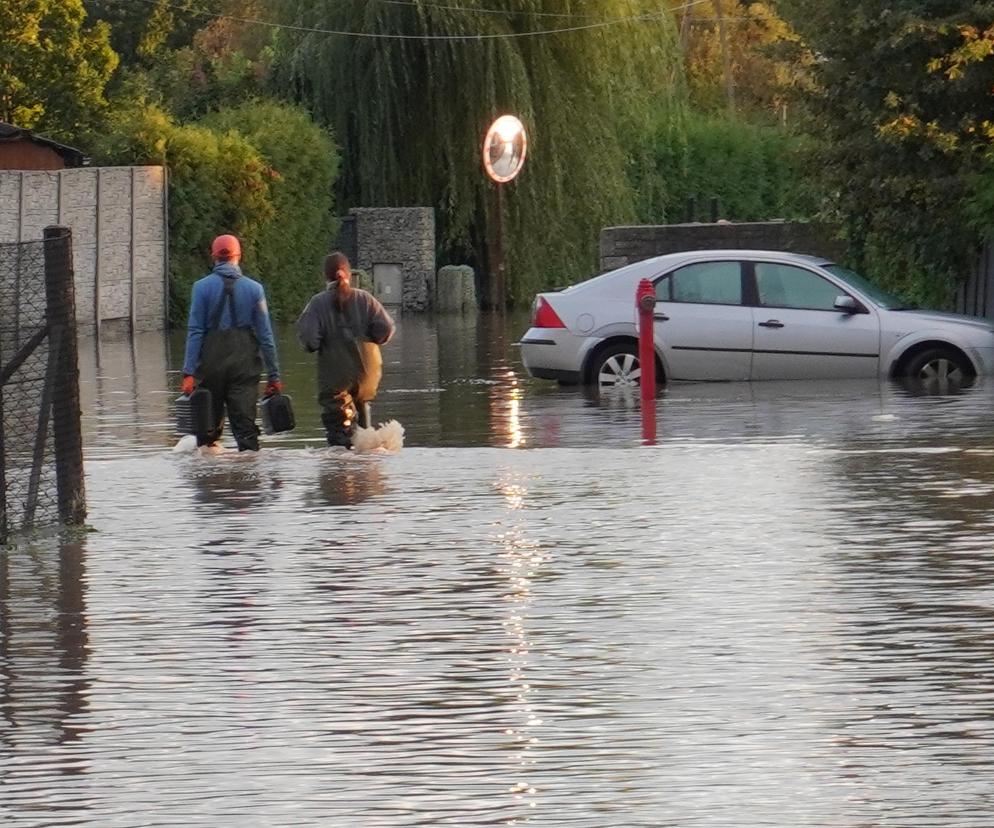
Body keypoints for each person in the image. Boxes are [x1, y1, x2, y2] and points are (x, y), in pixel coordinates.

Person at [181, 234, 281, 452]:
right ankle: (250, 480)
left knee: (207, 433)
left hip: (210, 369)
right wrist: (274, 375)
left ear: (213, 257)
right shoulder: (255, 289)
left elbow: (195, 331)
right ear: (239, 256)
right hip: (244, 369)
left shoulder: (201, 288)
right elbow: (266, 337)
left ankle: (210, 482)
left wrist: (188, 372)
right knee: (246, 430)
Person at [296, 252, 395, 448]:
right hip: (368, 375)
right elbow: (386, 329)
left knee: (339, 440)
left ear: (326, 276)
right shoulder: (366, 299)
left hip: (336, 379)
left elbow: (309, 341)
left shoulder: (317, 303)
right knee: (367, 433)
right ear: (349, 274)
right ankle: (368, 465)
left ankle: (341, 471)